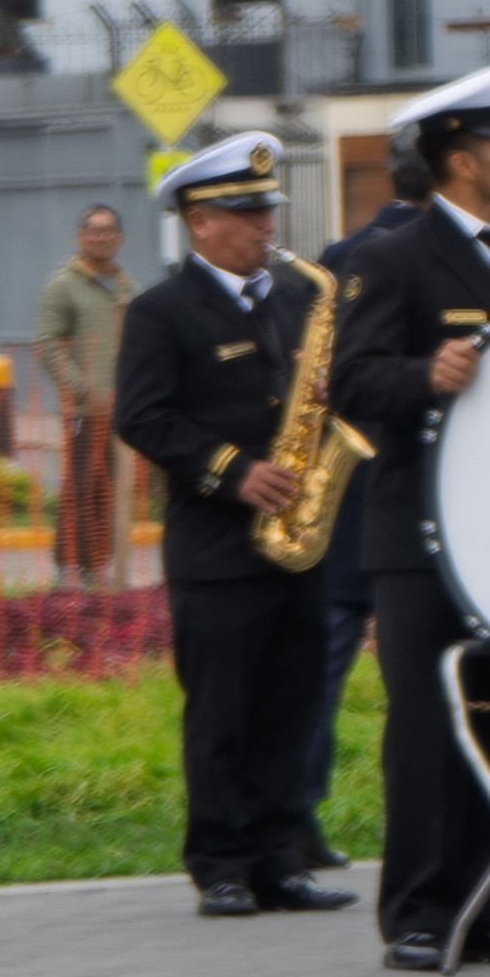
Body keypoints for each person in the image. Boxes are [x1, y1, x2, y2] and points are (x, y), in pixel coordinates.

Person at [329, 57, 490, 972]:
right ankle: (417, 911)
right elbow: (348, 383)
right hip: (425, 536)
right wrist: (423, 376)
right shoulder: (390, 257)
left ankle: (486, 901)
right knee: (431, 725)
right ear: (461, 160)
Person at [113, 133, 354, 916]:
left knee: (291, 704)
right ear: (199, 222)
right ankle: (218, 859)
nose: (263, 226)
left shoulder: (294, 299)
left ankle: (277, 855)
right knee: (221, 711)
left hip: (297, 544)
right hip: (217, 547)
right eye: (245, 212)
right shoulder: (161, 310)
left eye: (266, 210)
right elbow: (143, 418)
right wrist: (232, 470)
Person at [33, 202, 133, 584]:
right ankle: (68, 568)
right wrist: (81, 388)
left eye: (108, 231)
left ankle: (98, 567)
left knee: (111, 487)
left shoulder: (127, 286)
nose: (100, 237)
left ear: (120, 238)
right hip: (84, 409)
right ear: (80, 237)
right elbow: (46, 344)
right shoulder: (64, 285)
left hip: (121, 408)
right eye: (92, 230)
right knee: (81, 486)